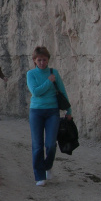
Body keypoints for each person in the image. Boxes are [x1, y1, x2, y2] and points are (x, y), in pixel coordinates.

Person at [26, 46, 72, 187]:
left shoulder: (54, 73)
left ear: (48, 60)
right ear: (34, 60)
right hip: (36, 112)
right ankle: (40, 175)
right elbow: (35, 92)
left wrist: (68, 110)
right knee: (37, 145)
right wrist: (48, 81)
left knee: (51, 144)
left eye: (44, 60)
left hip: (52, 111)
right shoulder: (31, 74)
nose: (42, 63)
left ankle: (47, 166)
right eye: (39, 60)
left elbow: (62, 91)